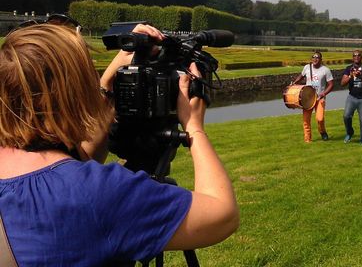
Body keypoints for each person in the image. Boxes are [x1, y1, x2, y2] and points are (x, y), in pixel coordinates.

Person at [0, 21, 239, 266]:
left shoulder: (45, 178)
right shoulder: (100, 194)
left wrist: (108, 86)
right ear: (74, 94)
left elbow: (79, 158)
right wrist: (194, 128)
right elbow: (222, 215)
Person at [291, 51, 334, 143]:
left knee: (320, 118)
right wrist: (295, 82)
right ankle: (308, 139)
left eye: (317, 57)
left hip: (319, 98)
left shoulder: (325, 70)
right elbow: (301, 76)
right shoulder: (307, 67)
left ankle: (322, 131)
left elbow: (331, 85)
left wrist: (323, 94)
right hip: (307, 98)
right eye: (313, 57)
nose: (315, 59)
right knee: (306, 120)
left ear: (321, 59)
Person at [340, 50, 362, 144]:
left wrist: (361, 77)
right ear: (352, 58)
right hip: (352, 97)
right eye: (354, 55)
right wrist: (350, 76)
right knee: (346, 116)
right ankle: (349, 133)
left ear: (361, 57)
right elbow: (342, 83)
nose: (356, 57)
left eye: (358, 55)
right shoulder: (348, 69)